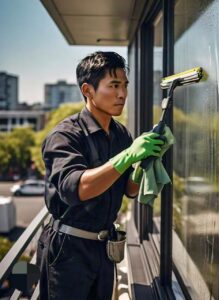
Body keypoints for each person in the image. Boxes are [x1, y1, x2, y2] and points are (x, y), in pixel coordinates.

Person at [36, 51, 164, 300]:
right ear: (88, 90)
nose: (122, 94)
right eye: (113, 86)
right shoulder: (64, 136)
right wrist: (128, 155)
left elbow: (129, 190)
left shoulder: (121, 135)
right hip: (67, 251)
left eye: (125, 86)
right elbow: (77, 189)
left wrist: (144, 163)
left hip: (104, 249)